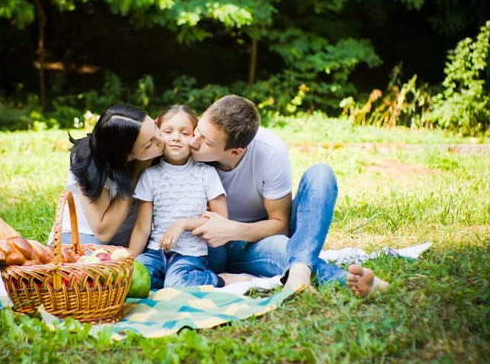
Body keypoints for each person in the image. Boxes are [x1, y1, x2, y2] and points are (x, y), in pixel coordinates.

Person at [188, 95, 389, 298]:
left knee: (321, 174)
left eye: (205, 141)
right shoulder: (184, 148)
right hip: (222, 247)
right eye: (198, 129)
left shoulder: (269, 150)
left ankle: (299, 269)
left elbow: (280, 225)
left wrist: (233, 230)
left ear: (234, 152)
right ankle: (346, 281)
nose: (193, 141)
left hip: (262, 234)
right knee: (282, 250)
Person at [129, 105, 249, 289]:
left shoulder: (206, 174)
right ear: (158, 134)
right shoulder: (150, 176)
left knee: (177, 282)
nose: (176, 137)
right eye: (168, 131)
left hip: (190, 254)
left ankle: (220, 279)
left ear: (194, 138)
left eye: (185, 133)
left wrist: (183, 223)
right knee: (134, 279)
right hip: (155, 253)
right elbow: (141, 228)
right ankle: (167, 278)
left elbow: (221, 220)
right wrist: (128, 263)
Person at [47, 104, 164, 247]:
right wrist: (137, 173)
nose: (161, 139)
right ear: (128, 157)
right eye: (149, 144)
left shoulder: (158, 146)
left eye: (155, 127)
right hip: (82, 238)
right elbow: (103, 232)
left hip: (132, 241)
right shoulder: (89, 162)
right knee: (99, 266)